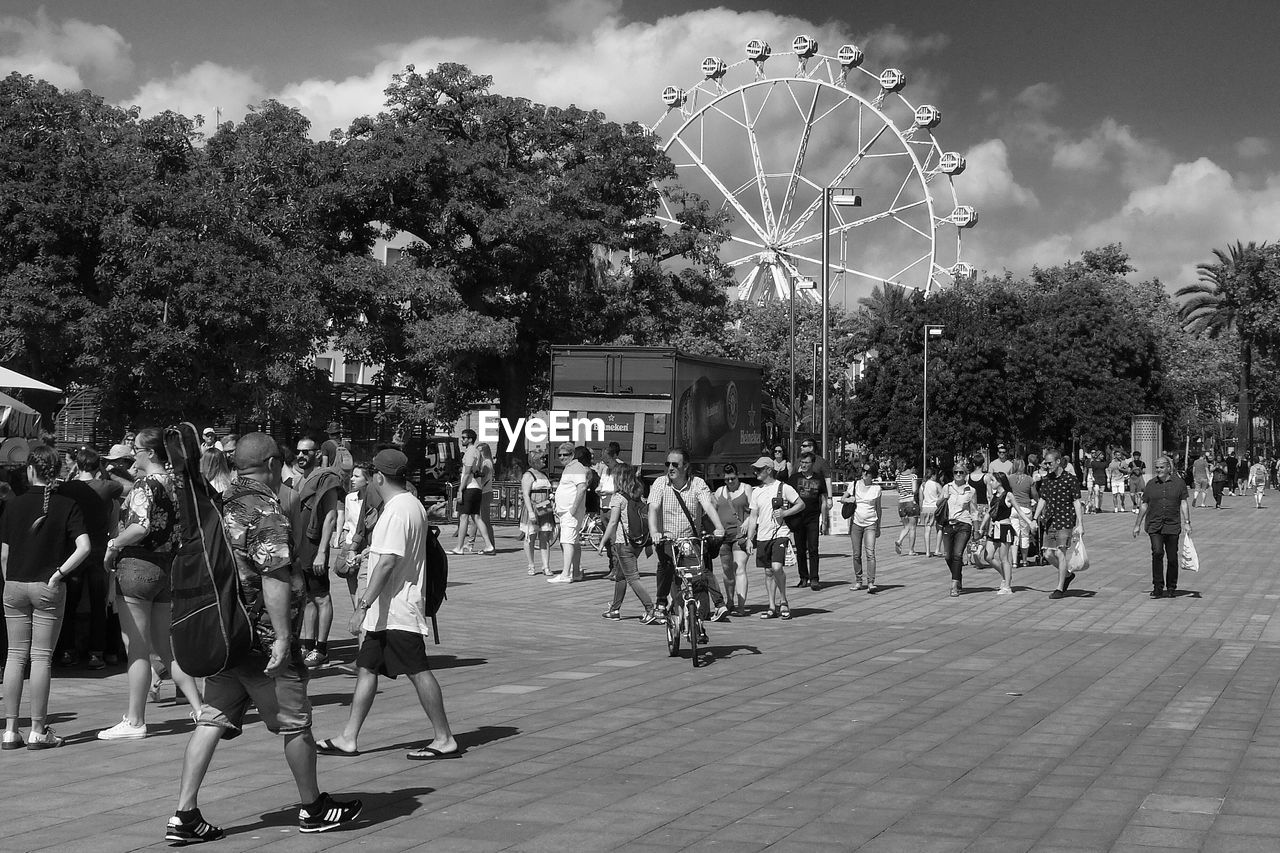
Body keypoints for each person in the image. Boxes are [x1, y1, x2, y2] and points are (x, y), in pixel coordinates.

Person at [165, 433, 362, 844]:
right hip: (262, 639)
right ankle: (313, 808)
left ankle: (184, 814)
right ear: (273, 464)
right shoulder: (263, 509)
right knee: (295, 724)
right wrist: (284, 638)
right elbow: (274, 576)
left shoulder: (219, 503)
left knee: (212, 718)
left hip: (227, 633)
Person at [316, 448, 458, 761]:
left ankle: (444, 738)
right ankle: (348, 737)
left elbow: (388, 563)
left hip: (397, 609)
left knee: (418, 671)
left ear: (379, 476)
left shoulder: (396, 509)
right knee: (367, 668)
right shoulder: (410, 504)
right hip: (387, 611)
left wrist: (361, 605)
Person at [99, 429, 203, 740]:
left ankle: (135, 720)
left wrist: (113, 544)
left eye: (137, 449)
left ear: (152, 454)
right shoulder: (176, 484)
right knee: (166, 649)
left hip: (137, 566)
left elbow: (140, 527)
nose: (134, 455)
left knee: (138, 650)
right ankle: (200, 708)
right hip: (166, 567)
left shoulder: (145, 485)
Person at [0, 444, 91, 749]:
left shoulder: (12, 505)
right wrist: (59, 573)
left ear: (29, 470)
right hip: (47, 585)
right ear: (55, 472)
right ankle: (38, 730)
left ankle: (10, 730)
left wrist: (9, 580)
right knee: (41, 658)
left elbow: (4, 552)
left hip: (14, 584)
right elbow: (85, 547)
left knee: (14, 656)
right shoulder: (67, 505)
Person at [54, 447, 118, 670]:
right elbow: (121, 485)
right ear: (97, 465)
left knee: (69, 604)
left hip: (74, 550)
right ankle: (96, 653)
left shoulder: (65, 488)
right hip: (99, 551)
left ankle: (67, 651)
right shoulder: (108, 487)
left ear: (77, 465)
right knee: (98, 605)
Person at [648, 448, 727, 622]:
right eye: (667, 464)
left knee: (701, 570)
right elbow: (653, 508)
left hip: (689, 539)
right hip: (667, 537)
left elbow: (707, 506)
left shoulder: (697, 483)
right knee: (666, 565)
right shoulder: (660, 483)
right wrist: (654, 531)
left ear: (686, 466)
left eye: (675, 464)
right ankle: (661, 603)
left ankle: (716, 606)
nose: (670, 468)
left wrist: (719, 527)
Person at [291, 436, 343, 669]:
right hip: (298, 546)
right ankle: (307, 644)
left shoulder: (326, 477)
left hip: (314, 546)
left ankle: (321, 649)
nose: (302, 456)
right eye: (299, 452)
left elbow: (331, 516)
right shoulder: (298, 480)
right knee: (307, 597)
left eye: (307, 452)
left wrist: (323, 550)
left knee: (321, 596)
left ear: (317, 453)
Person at [743, 455, 801, 619]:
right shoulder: (757, 492)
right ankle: (771, 606)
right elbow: (754, 517)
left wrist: (785, 513)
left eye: (759, 469)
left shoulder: (783, 487)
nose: (756, 472)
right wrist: (749, 539)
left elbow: (800, 504)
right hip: (763, 536)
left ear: (769, 470)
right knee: (768, 572)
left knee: (776, 567)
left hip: (780, 533)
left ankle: (783, 601)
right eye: (755, 469)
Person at [599, 462, 657, 623]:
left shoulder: (618, 498)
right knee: (620, 576)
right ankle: (615, 609)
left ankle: (650, 609)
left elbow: (612, 523)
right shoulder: (638, 494)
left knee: (632, 578)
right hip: (637, 541)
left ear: (619, 478)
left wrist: (603, 541)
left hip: (623, 542)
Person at [1133, 455, 1192, 599]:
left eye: (1161, 467)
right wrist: (1137, 525)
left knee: (1172, 558)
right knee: (1157, 553)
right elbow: (1144, 504)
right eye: (1157, 468)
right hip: (1154, 525)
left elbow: (1183, 503)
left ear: (1168, 468)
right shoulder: (1151, 484)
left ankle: (1171, 586)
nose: (1159, 470)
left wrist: (1187, 522)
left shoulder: (1179, 484)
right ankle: (1158, 586)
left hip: (1172, 525)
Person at [1034, 450, 1083, 600]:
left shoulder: (1070, 479)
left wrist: (1080, 523)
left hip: (1065, 520)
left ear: (1058, 461)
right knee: (1048, 554)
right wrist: (1034, 518)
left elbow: (1076, 502)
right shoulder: (1047, 480)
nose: (1047, 466)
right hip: (1050, 520)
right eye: (1045, 463)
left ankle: (1059, 588)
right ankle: (1067, 575)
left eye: (1049, 463)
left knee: (1060, 553)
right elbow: (1042, 499)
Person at [713, 463, 753, 616]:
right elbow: (713, 511)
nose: (730, 482)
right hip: (723, 537)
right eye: (727, 479)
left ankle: (741, 606)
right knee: (727, 571)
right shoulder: (719, 492)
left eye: (733, 478)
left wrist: (747, 523)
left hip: (740, 536)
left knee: (740, 567)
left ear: (738, 476)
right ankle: (730, 602)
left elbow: (754, 510)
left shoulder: (746, 488)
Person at [987, 472, 1035, 595]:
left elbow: (1019, 511)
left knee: (1004, 558)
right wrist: (981, 528)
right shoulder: (994, 495)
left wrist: (1030, 522)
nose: (990, 482)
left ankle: (1007, 585)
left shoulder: (1008, 495)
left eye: (992, 480)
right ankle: (1004, 575)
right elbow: (989, 512)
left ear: (1000, 481)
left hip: (1005, 527)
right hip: (994, 527)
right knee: (988, 556)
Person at [549, 442, 589, 583]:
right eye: (559, 455)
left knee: (566, 542)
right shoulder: (570, 467)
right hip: (567, 511)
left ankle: (566, 574)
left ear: (572, 454)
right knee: (574, 542)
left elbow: (582, 488)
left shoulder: (576, 467)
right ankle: (576, 572)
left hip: (570, 512)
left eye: (565, 454)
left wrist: (572, 509)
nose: (561, 457)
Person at [788, 452, 829, 590]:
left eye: (806, 463)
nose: (803, 465)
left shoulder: (819, 479)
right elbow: (787, 498)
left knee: (813, 548)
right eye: (802, 462)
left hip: (813, 518)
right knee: (800, 549)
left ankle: (814, 578)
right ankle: (803, 577)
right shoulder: (794, 478)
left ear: (812, 464)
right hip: (798, 518)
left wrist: (824, 521)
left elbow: (823, 500)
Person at [841, 463, 883, 592]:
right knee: (856, 554)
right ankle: (858, 581)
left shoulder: (877, 489)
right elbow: (843, 499)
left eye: (867, 472)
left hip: (871, 523)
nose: (864, 474)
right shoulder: (854, 485)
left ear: (872, 475)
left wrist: (878, 526)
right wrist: (850, 500)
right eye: (863, 471)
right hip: (856, 523)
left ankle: (871, 582)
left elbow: (878, 509)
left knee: (870, 553)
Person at [939, 465, 978, 597]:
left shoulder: (971, 490)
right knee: (948, 556)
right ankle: (958, 575)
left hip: (964, 524)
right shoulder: (947, 487)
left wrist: (977, 529)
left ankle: (954, 585)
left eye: (961, 472)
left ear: (966, 474)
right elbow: (938, 504)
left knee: (957, 554)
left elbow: (974, 511)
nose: (958, 474)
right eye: (956, 472)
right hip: (948, 524)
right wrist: (943, 498)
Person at [450, 429, 487, 555]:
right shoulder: (477, 452)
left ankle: (459, 547)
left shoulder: (471, 452)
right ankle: (488, 545)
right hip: (477, 487)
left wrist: (460, 489)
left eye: (464, 438)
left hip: (469, 487)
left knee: (463, 517)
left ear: (470, 439)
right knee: (476, 517)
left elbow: (467, 473)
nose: (462, 440)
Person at [520, 450, 555, 576]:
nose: (544, 461)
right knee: (531, 537)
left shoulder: (543, 474)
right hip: (534, 507)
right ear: (534, 460)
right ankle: (531, 564)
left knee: (545, 536)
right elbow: (525, 494)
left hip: (545, 507)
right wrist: (530, 511)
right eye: (542, 459)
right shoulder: (528, 475)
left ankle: (546, 566)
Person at [893, 461, 921, 556]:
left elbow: (898, 490)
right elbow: (914, 490)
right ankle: (911, 550)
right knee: (912, 527)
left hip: (901, 503)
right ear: (912, 468)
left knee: (906, 526)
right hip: (910, 502)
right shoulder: (913, 476)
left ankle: (899, 540)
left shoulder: (898, 477)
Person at [919, 468, 944, 558]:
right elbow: (943, 496)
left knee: (927, 529)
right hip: (935, 508)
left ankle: (927, 551)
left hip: (925, 508)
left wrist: (921, 509)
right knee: (939, 528)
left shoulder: (923, 485)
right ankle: (937, 549)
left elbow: (921, 498)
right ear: (933, 475)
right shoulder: (937, 485)